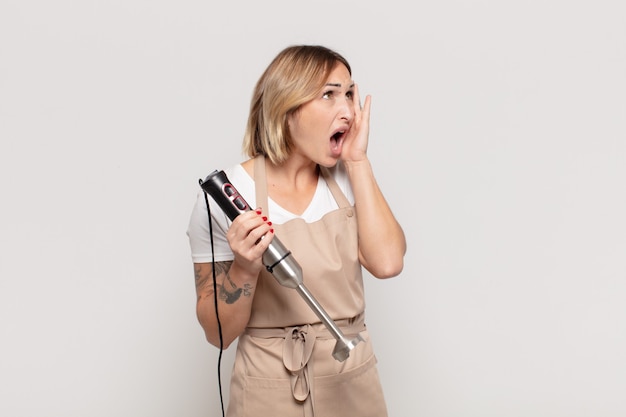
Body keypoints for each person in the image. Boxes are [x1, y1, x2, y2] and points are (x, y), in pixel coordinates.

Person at [187, 45, 406, 417]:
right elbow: (218, 334)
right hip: (266, 386)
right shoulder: (229, 197)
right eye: (329, 94)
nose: (349, 111)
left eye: (350, 94)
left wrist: (358, 161)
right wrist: (243, 267)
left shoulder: (351, 179)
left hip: (349, 378)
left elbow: (387, 263)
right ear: (286, 108)